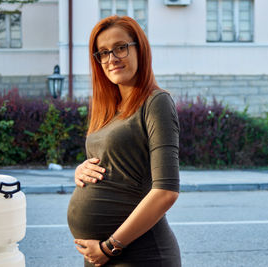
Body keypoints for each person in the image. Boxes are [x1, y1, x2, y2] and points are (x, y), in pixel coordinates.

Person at [67, 15, 181, 267]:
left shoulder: (156, 102)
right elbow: (115, 163)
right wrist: (81, 170)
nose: (112, 59)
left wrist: (110, 247)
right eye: (103, 52)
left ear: (140, 49)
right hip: (102, 256)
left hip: (140, 255)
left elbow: (166, 191)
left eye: (120, 47)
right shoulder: (110, 108)